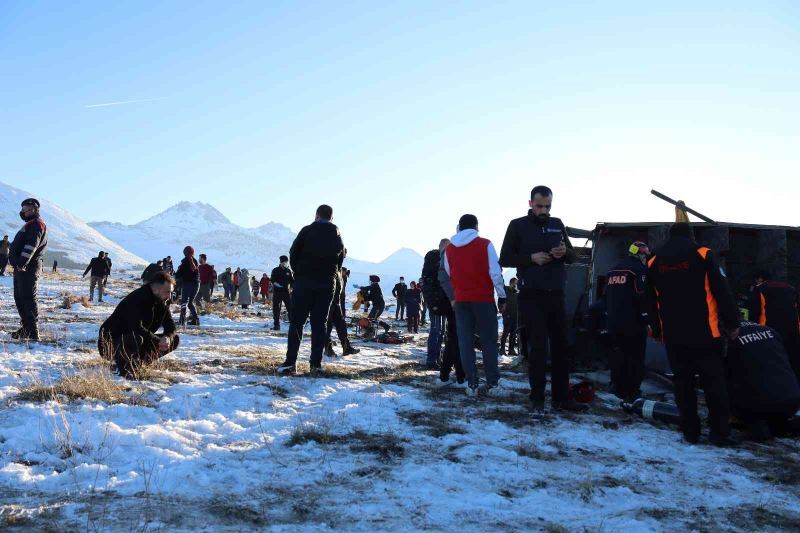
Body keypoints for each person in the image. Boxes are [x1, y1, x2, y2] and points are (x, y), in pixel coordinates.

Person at [647, 222, 740, 446]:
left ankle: (691, 432)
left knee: (683, 385)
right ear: (691, 235)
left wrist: (658, 330)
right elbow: (722, 291)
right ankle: (719, 433)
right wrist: (732, 322)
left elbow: (651, 301)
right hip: (705, 334)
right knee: (714, 384)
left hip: (674, 335)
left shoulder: (654, 260)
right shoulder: (703, 253)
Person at [499, 185, 586, 412]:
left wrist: (563, 253)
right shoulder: (517, 225)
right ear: (530, 204)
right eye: (539, 206)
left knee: (561, 347)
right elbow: (505, 257)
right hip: (531, 295)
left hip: (556, 293)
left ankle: (561, 397)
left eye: (547, 206)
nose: (544, 210)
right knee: (537, 348)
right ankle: (537, 398)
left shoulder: (557, 224)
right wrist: (530, 258)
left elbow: (573, 256)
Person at [442, 214, 506, 397]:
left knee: (465, 342)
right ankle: (493, 383)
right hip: (483, 300)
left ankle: (472, 383)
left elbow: (449, 272)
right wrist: (502, 296)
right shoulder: (485, 244)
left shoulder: (449, 250)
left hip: (461, 301)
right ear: (476, 226)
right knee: (488, 342)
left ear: (459, 227)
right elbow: (495, 273)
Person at [277, 204, 345, 374]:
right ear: (331, 217)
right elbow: (340, 260)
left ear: (317, 215)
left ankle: (290, 363)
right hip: (326, 284)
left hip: (304, 283)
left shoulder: (307, 231)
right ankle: (315, 364)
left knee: (297, 323)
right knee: (319, 324)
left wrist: (299, 273)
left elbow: (294, 252)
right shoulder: (337, 235)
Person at [726, 321, 800, 441]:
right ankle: (781, 425)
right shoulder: (769, 330)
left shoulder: (730, 336)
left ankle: (755, 423)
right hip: (792, 399)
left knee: (724, 382)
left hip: (760, 404)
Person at [98, 271, 179, 379]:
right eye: (167, 292)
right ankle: (124, 368)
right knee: (136, 338)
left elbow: (170, 325)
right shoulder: (138, 299)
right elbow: (135, 327)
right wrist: (157, 340)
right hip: (112, 342)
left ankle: (137, 363)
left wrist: (167, 337)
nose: (170, 296)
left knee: (174, 339)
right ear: (155, 289)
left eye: (171, 292)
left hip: (138, 340)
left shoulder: (162, 301)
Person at [604, 241, 650, 402]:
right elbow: (641, 295)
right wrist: (646, 318)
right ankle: (632, 392)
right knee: (635, 358)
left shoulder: (613, 269)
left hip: (614, 322)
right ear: (640, 254)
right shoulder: (639, 269)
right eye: (645, 255)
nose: (645, 258)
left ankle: (616, 387)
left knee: (618, 354)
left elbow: (606, 296)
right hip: (633, 323)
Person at [748, 269, 800, 382]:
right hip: (793, 334)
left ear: (760, 279)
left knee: (770, 368)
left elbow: (753, 314)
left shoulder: (759, 289)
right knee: (793, 365)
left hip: (767, 334)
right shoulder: (790, 289)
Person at [9, 198, 48, 341]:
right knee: (20, 298)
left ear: (35, 210)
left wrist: (22, 263)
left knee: (28, 298)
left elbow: (31, 245)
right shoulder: (30, 224)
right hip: (22, 267)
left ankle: (33, 331)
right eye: (24, 210)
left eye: (28, 210)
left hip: (28, 267)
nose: (25, 212)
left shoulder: (37, 224)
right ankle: (26, 328)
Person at [324, 265, 360, 357]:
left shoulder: (339, 273)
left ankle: (346, 348)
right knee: (327, 328)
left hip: (336, 303)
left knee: (342, 326)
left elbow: (340, 292)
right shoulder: (327, 268)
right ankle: (328, 349)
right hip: (326, 303)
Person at [174, 246, 201, 326]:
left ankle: (182, 321)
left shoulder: (184, 262)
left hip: (187, 284)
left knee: (184, 302)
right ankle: (196, 320)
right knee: (190, 303)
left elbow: (178, 275)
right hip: (196, 284)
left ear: (184, 253)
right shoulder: (196, 261)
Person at [271, 256, 294, 330]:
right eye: (283, 262)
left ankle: (292, 326)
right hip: (277, 293)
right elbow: (273, 280)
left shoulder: (288, 271)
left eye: (286, 262)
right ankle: (276, 325)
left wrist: (292, 288)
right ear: (280, 262)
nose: (285, 264)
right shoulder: (275, 270)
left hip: (286, 293)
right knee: (276, 309)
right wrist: (277, 285)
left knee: (290, 308)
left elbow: (292, 281)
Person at [500, 278, 519, 356]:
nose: (516, 285)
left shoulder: (516, 293)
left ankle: (511, 350)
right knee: (505, 333)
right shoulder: (505, 290)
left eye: (516, 283)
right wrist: (504, 313)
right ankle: (502, 349)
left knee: (513, 334)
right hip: (507, 316)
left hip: (515, 316)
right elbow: (501, 301)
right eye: (515, 283)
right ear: (511, 283)